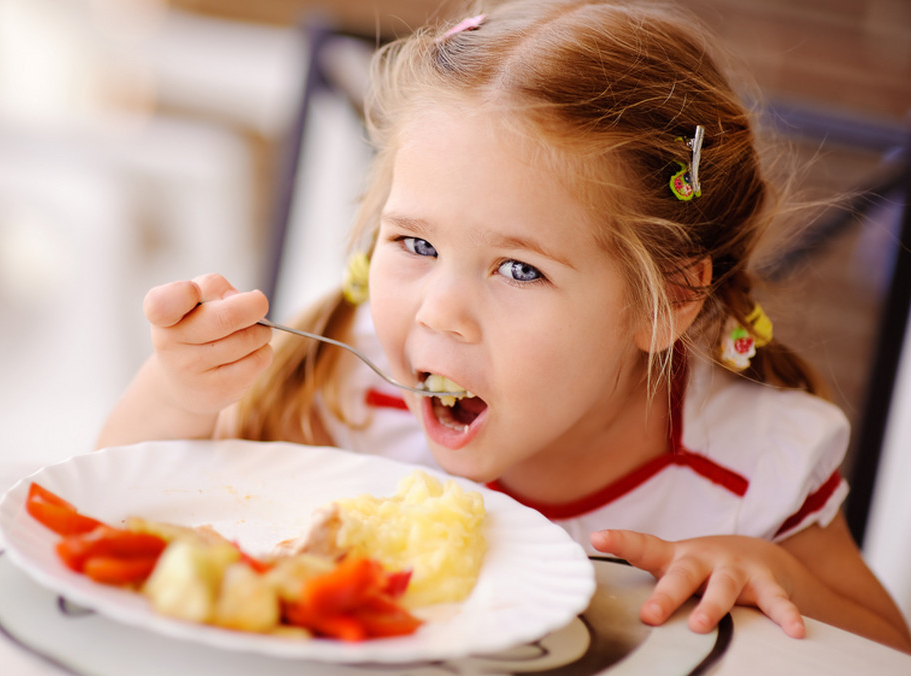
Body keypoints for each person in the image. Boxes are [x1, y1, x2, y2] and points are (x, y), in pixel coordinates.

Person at [99, 0, 911, 652]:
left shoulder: (744, 471)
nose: (439, 312)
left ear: (665, 301)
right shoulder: (349, 392)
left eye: (519, 269)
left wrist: (773, 575)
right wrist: (177, 394)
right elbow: (116, 514)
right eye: (416, 243)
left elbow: (886, 648)